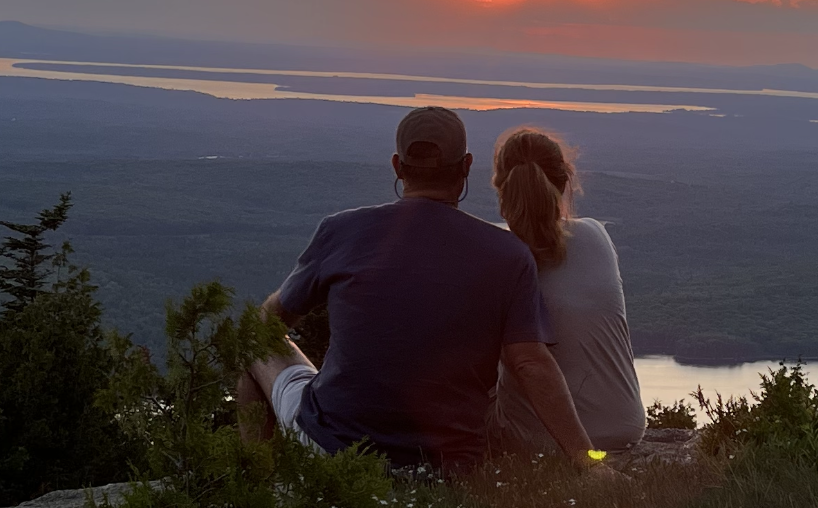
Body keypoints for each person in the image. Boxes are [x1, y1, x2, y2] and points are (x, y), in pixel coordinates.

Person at [234, 106, 605, 473]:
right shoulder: (508, 254)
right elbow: (530, 362)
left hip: (337, 450)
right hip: (449, 466)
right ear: (466, 166)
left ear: (397, 166)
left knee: (256, 341)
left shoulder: (342, 230)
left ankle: (266, 489)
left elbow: (268, 323)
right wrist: (589, 462)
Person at [484, 127, 646, 456]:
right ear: (564, 181)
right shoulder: (595, 236)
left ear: (502, 187)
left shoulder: (492, 256)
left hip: (546, 445)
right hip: (624, 431)